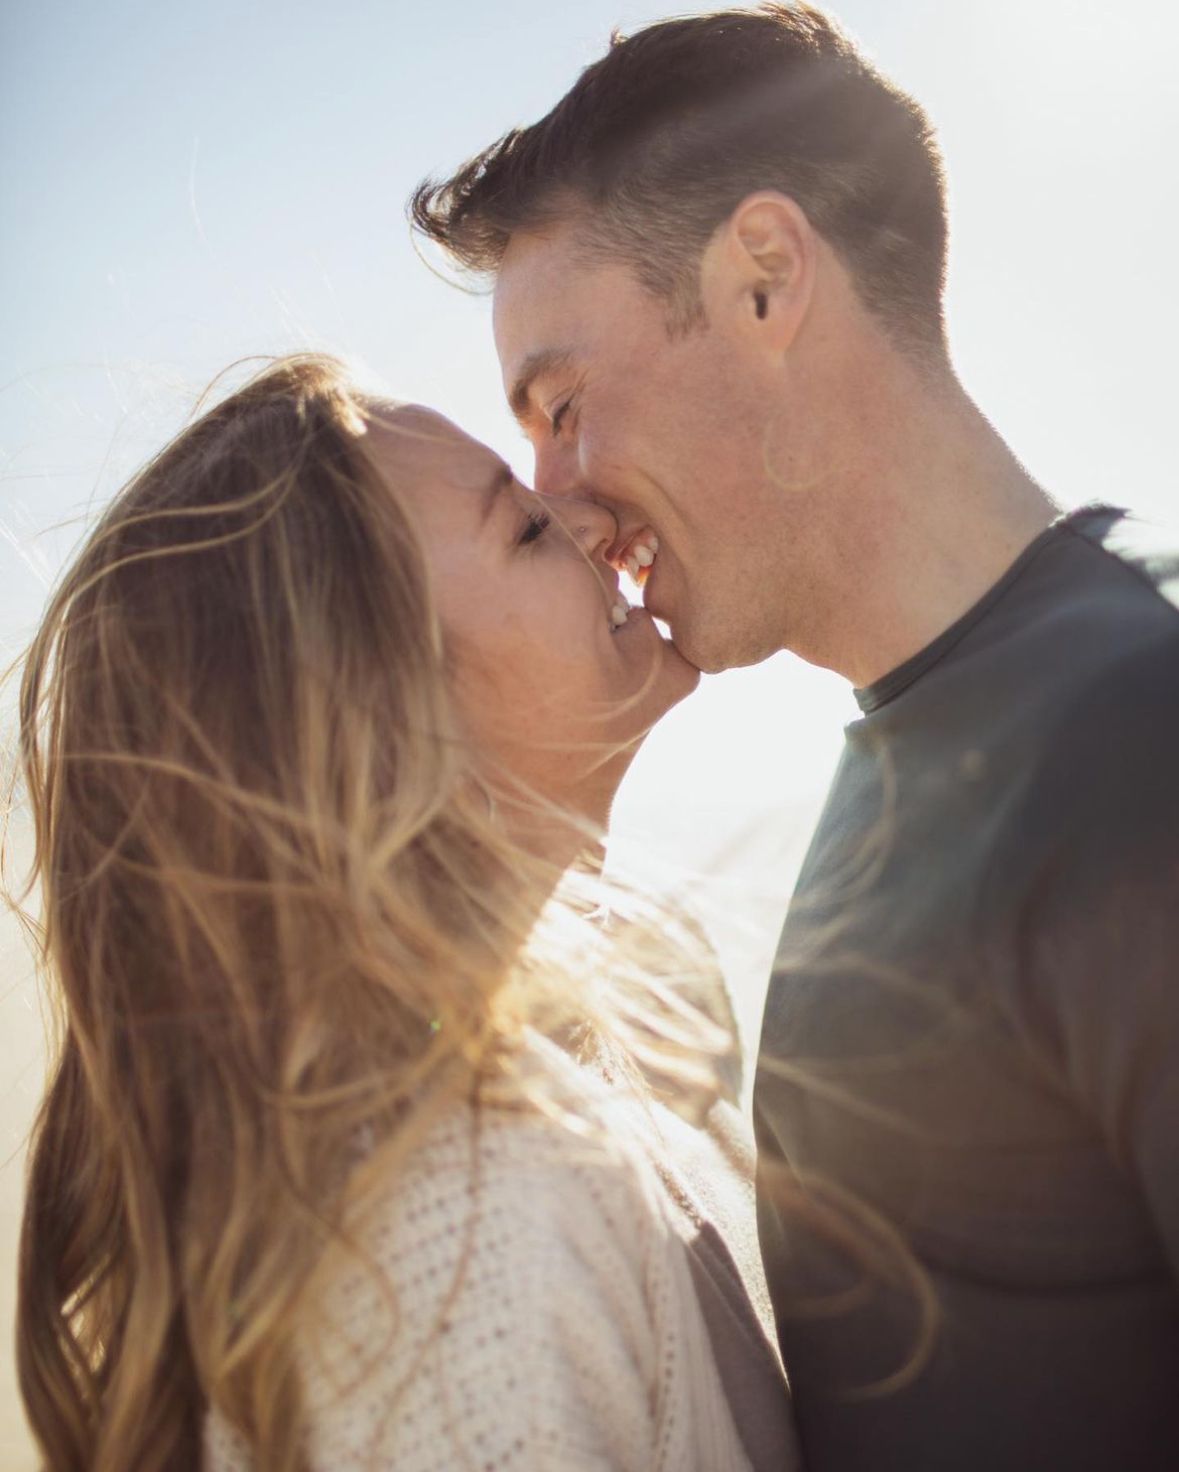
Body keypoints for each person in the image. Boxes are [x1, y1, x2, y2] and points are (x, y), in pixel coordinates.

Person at [411, 3, 1179, 1469]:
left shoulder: (1136, 731)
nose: (561, 496)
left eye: (562, 407)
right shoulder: (911, 754)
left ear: (762, 281)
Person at [10, 355, 800, 1471]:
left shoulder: (576, 1083)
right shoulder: (453, 1250)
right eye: (523, 531)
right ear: (396, 743)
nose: (585, 512)